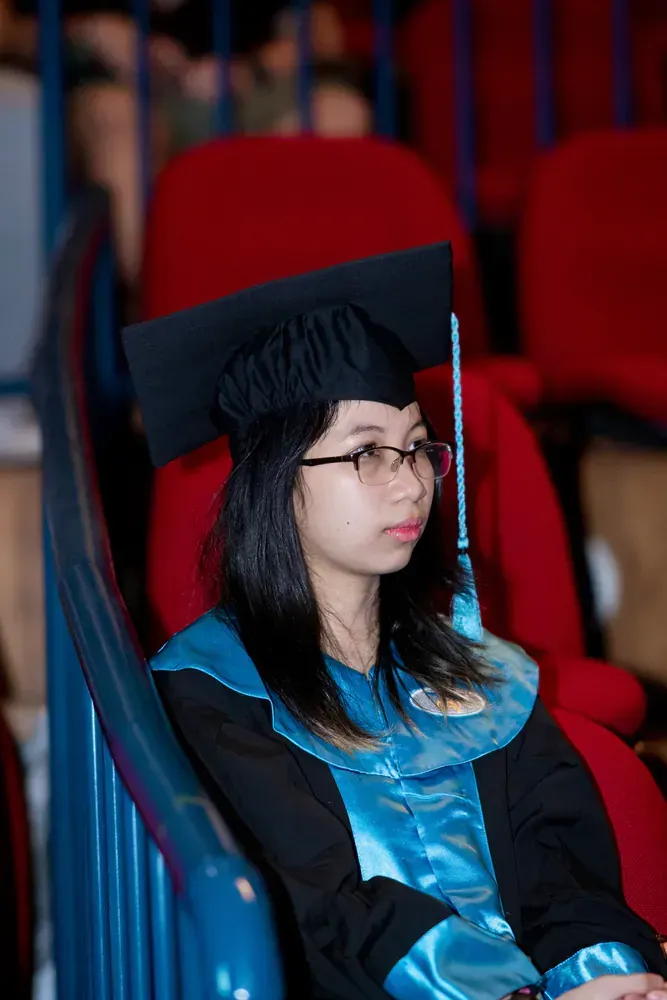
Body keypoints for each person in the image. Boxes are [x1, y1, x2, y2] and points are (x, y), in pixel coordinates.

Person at [122, 243, 667, 1000]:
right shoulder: (213, 692)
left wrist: (602, 974)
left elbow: (560, 868)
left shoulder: (483, 676)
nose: (409, 482)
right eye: (367, 454)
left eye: (415, 447)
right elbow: (320, 908)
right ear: (278, 481)